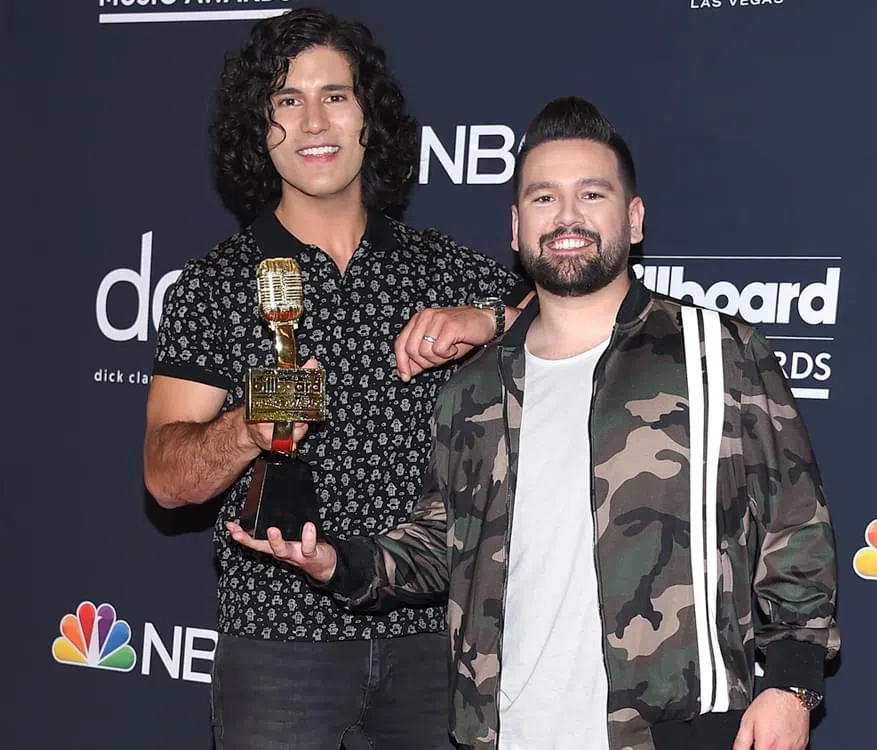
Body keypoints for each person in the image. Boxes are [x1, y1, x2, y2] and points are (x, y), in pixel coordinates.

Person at [228, 96, 840, 750]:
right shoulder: (472, 388)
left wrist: (793, 684)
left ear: (634, 219)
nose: (567, 216)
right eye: (545, 198)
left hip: (670, 732)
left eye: (591, 194)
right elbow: (441, 544)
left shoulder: (715, 349)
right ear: (517, 228)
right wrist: (338, 563)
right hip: (503, 732)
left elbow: (795, 523)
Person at [143, 8, 531, 750]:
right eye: (287, 100)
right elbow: (165, 478)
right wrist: (249, 426)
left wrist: (492, 319)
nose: (314, 122)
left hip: (433, 637)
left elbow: (586, 336)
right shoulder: (214, 285)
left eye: (335, 96)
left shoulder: (443, 269)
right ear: (258, 127)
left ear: (368, 118)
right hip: (277, 641)